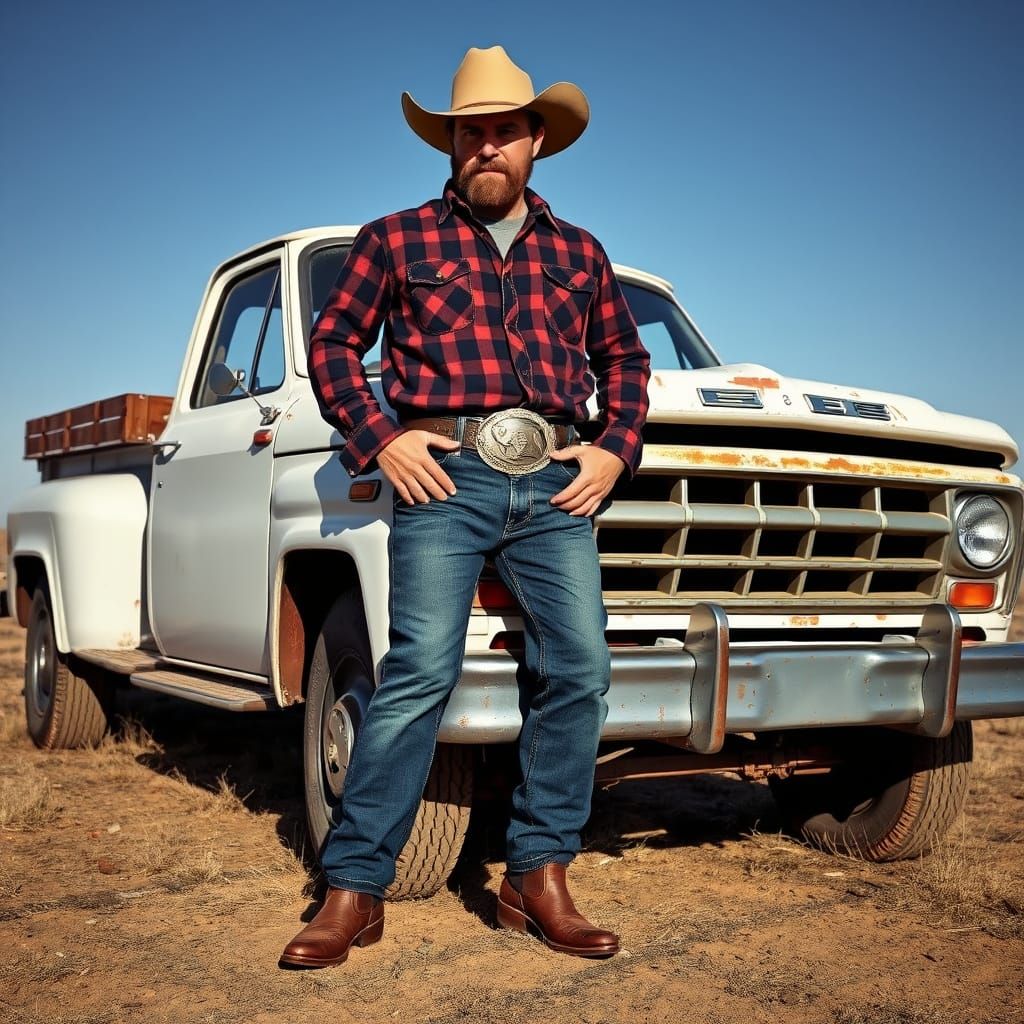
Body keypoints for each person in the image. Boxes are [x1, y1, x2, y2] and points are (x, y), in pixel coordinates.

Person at [280, 44, 650, 969]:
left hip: (558, 482)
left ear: (536, 142)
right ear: (450, 145)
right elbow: (333, 347)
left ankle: (539, 876)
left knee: (582, 669)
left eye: (504, 132)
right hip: (446, 476)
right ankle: (355, 888)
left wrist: (613, 448)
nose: (486, 147)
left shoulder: (581, 252)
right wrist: (383, 437)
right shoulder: (396, 239)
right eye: (469, 134)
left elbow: (628, 365)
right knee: (417, 676)